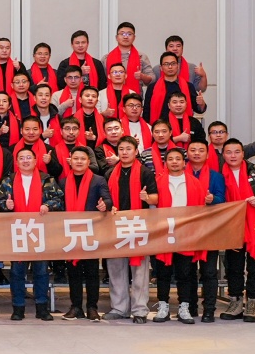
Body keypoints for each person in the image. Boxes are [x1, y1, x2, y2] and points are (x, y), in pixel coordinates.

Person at [0, 147, 64, 321]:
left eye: (29, 157)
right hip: (17, 232)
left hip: (40, 232)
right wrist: (6, 205)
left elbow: (59, 199)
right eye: (22, 158)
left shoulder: (46, 179)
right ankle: (18, 308)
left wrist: (48, 205)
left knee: (41, 271)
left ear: (35, 161)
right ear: (17, 162)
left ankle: (42, 307)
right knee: (17, 272)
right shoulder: (9, 180)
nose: (25, 161)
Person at [218, 139, 255, 323]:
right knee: (233, 267)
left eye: (237, 152)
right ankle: (235, 303)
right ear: (223, 155)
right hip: (233, 227)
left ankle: (252, 303)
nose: (233, 156)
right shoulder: (219, 174)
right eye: (229, 152)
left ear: (243, 153)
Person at [103, 136, 158, 323]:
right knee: (116, 268)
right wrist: (108, 205)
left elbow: (156, 198)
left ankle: (140, 310)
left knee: (140, 270)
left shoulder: (145, 172)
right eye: (121, 149)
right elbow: (105, 198)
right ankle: (119, 308)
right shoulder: (110, 173)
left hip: (138, 225)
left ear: (136, 152)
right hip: (116, 226)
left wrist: (146, 198)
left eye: (128, 149)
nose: (124, 152)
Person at [151, 148, 206, 324]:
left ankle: (184, 307)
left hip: (186, 234)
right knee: (163, 273)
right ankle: (163, 306)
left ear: (184, 162)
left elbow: (201, 210)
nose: (174, 162)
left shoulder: (195, 183)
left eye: (178, 159)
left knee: (185, 273)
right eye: (170, 159)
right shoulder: (158, 182)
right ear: (165, 163)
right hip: (164, 233)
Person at [58, 146, 112, 322]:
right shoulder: (63, 182)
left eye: (83, 159)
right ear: (70, 161)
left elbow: (108, 199)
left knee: (91, 272)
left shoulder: (98, 180)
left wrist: (105, 204)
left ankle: (92, 307)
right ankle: (76, 307)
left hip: (91, 233)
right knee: (73, 272)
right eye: (76, 158)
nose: (79, 162)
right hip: (71, 233)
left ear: (89, 161)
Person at [186, 139, 226, 322]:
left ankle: (209, 309)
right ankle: (190, 307)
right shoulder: (180, 174)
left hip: (209, 229)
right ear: (187, 153)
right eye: (193, 150)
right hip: (186, 230)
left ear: (207, 154)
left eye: (201, 150)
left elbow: (222, 199)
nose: (196, 153)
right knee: (188, 271)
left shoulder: (216, 176)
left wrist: (213, 199)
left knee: (209, 272)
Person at [144, 51, 207, 123]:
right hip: (160, 128)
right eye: (166, 64)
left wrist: (201, 103)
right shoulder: (152, 87)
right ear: (161, 68)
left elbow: (199, 110)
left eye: (173, 64)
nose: (170, 67)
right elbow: (146, 113)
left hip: (183, 127)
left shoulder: (188, 86)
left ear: (178, 66)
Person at [103, 22, 155, 93]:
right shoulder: (106, 58)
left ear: (134, 37)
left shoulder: (142, 57)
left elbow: (152, 79)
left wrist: (142, 76)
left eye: (129, 34)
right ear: (116, 37)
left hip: (135, 97)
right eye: (122, 34)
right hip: (111, 96)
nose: (125, 37)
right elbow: (102, 81)